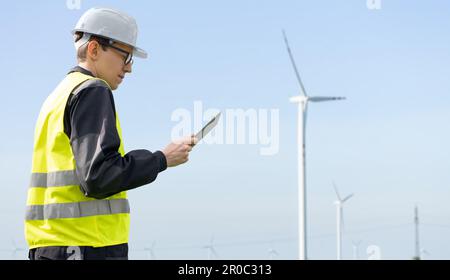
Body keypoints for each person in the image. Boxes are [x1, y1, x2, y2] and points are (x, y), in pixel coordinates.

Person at [25, 7, 196, 260]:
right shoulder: (92, 90)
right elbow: (99, 176)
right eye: (124, 56)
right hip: (86, 245)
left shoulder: (58, 95)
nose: (128, 69)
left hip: (53, 246)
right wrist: (161, 159)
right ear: (94, 49)